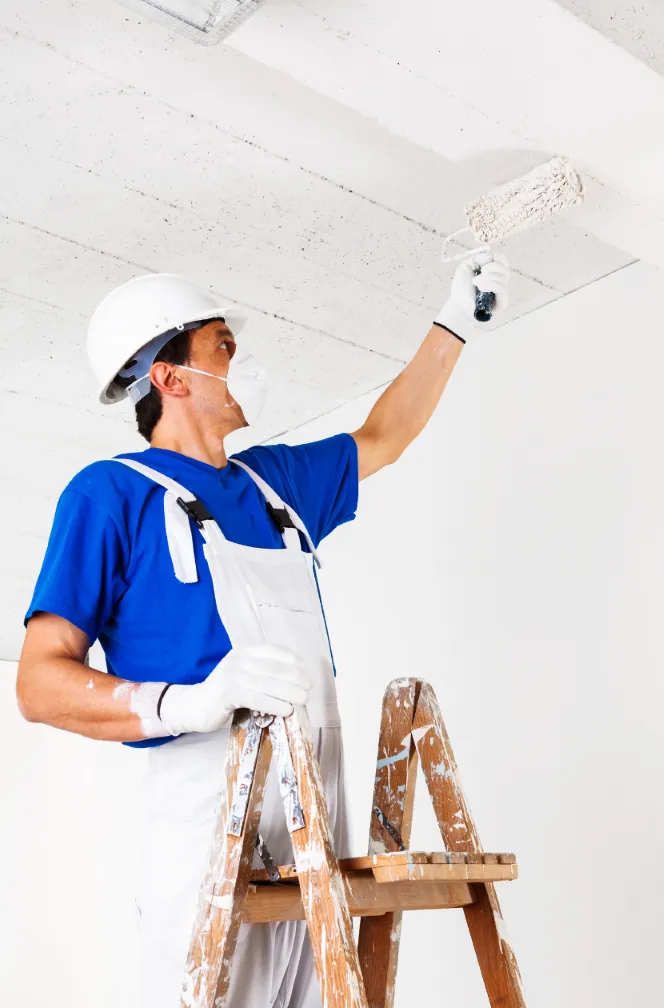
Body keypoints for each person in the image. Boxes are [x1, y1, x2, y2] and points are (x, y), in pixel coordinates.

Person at [17, 251, 510, 1008]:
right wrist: (187, 702)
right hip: (209, 815)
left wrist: (454, 321)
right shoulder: (110, 495)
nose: (239, 360)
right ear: (170, 377)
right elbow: (39, 681)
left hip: (318, 806)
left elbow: (385, 435)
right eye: (223, 346)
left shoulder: (271, 485)